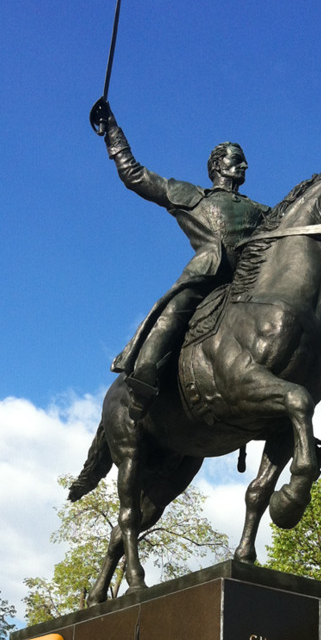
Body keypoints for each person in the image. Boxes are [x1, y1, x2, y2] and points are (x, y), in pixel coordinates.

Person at [96, 99, 269, 419]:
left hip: (247, 281)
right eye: (238, 160)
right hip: (208, 274)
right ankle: (144, 378)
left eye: (244, 161)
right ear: (218, 165)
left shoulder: (261, 211)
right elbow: (135, 175)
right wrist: (112, 133)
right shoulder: (191, 196)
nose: (245, 166)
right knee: (176, 310)